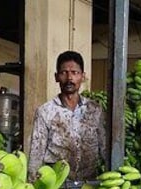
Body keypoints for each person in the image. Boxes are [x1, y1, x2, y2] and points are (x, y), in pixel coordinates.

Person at [28, 51, 107, 181]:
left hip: (90, 183)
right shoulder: (45, 112)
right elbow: (37, 153)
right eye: (64, 72)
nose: (69, 78)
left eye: (75, 73)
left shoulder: (94, 110)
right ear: (56, 77)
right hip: (57, 185)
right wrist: (32, 183)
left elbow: (105, 149)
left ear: (83, 76)